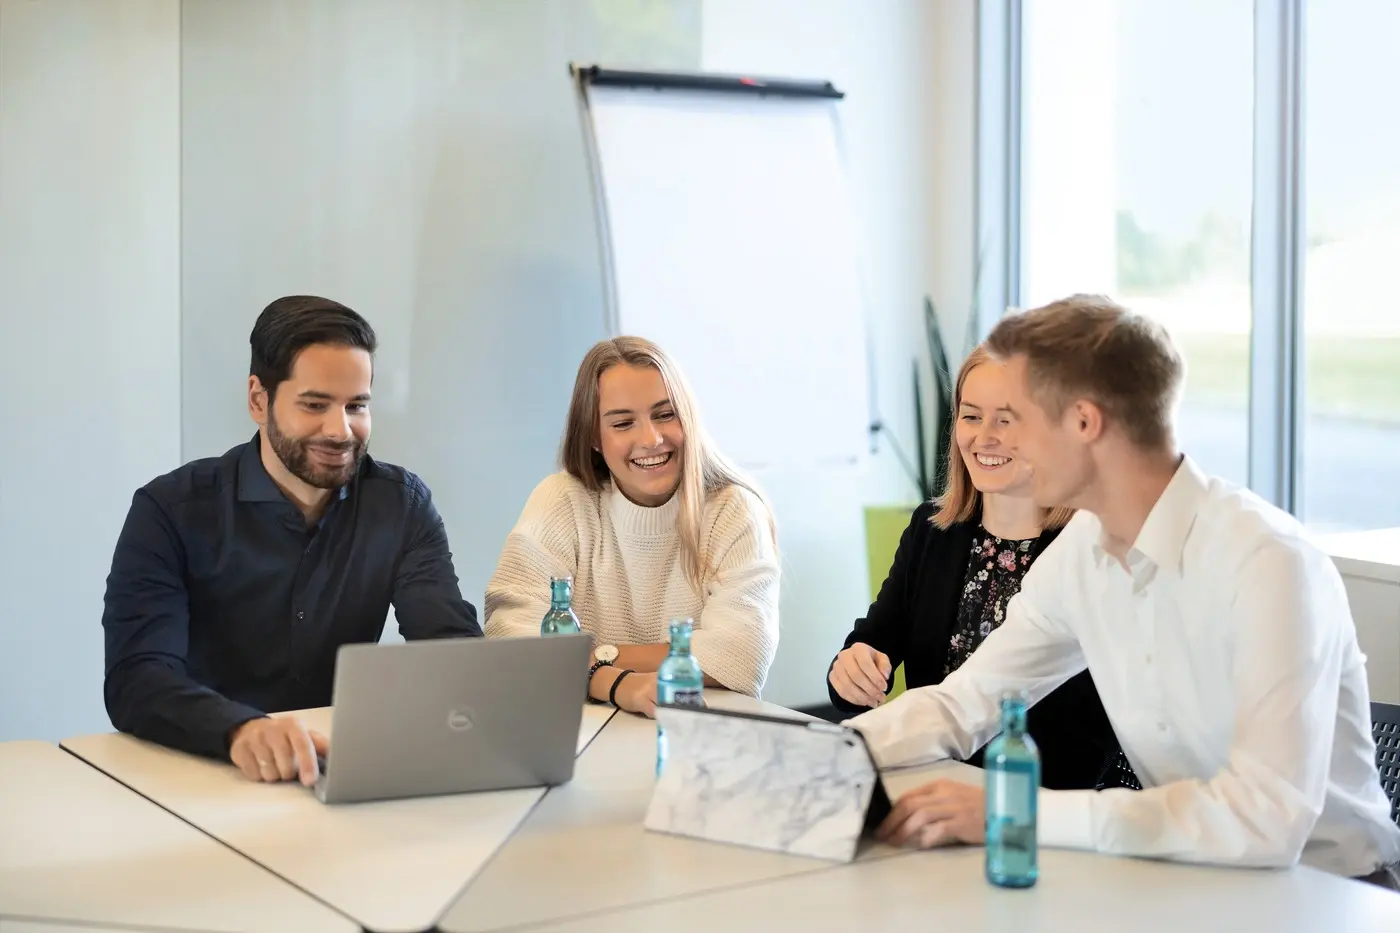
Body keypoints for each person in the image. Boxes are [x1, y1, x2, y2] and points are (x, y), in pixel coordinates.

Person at [848, 294, 1400, 889]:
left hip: (1329, 894)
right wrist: (818, 755)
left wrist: (1020, 813)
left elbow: (1264, 819)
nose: (1004, 444)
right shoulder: (1081, 553)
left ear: (1084, 423)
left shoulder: (1268, 562)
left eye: (1019, 420)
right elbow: (964, 704)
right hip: (1188, 881)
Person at [102, 296, 482, 785]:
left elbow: (450, 649)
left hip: (337, 770)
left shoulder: (401, 505)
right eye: (315, 404)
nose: (340, 430)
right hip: (202, 770)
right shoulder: (169, 511)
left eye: (357, 406)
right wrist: (240, 730)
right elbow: (137, 678)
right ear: (259, 400)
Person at [827, 346, 1126, 791]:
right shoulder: (932, 532)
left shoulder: (1091, 548)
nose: (984, 436)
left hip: (1052, 807)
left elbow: (1102, 729)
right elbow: (869, 647)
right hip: (933, 787)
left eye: (1007, 420)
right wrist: (850, 670)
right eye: (971, 416)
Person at [485, 336, 779, 716]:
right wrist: (613, 683)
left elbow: (741, 654)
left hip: (695, 728)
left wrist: (594, 657)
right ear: (594, 436)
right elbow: (512, 636)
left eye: (665, 414)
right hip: (579, 734)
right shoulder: (560, 500)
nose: (651, 439)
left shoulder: (732, 509)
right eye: (623, 423)